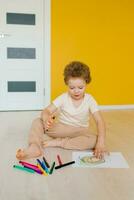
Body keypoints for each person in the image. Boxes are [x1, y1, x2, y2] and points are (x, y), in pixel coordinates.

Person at [16, 61, 108, 160]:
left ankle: (60, 142)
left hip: (80, 131)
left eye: (80, 87)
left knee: (94, 139)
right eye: (72, 87)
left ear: (86, 82)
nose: (76, 91)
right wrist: (46, 117)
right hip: (61, 128)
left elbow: (99, 121)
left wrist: (101, 142)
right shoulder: (63, 97)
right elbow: (46, 111)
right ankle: (34, 146)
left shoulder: (90, 99)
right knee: (37, 121)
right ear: (67, 84)